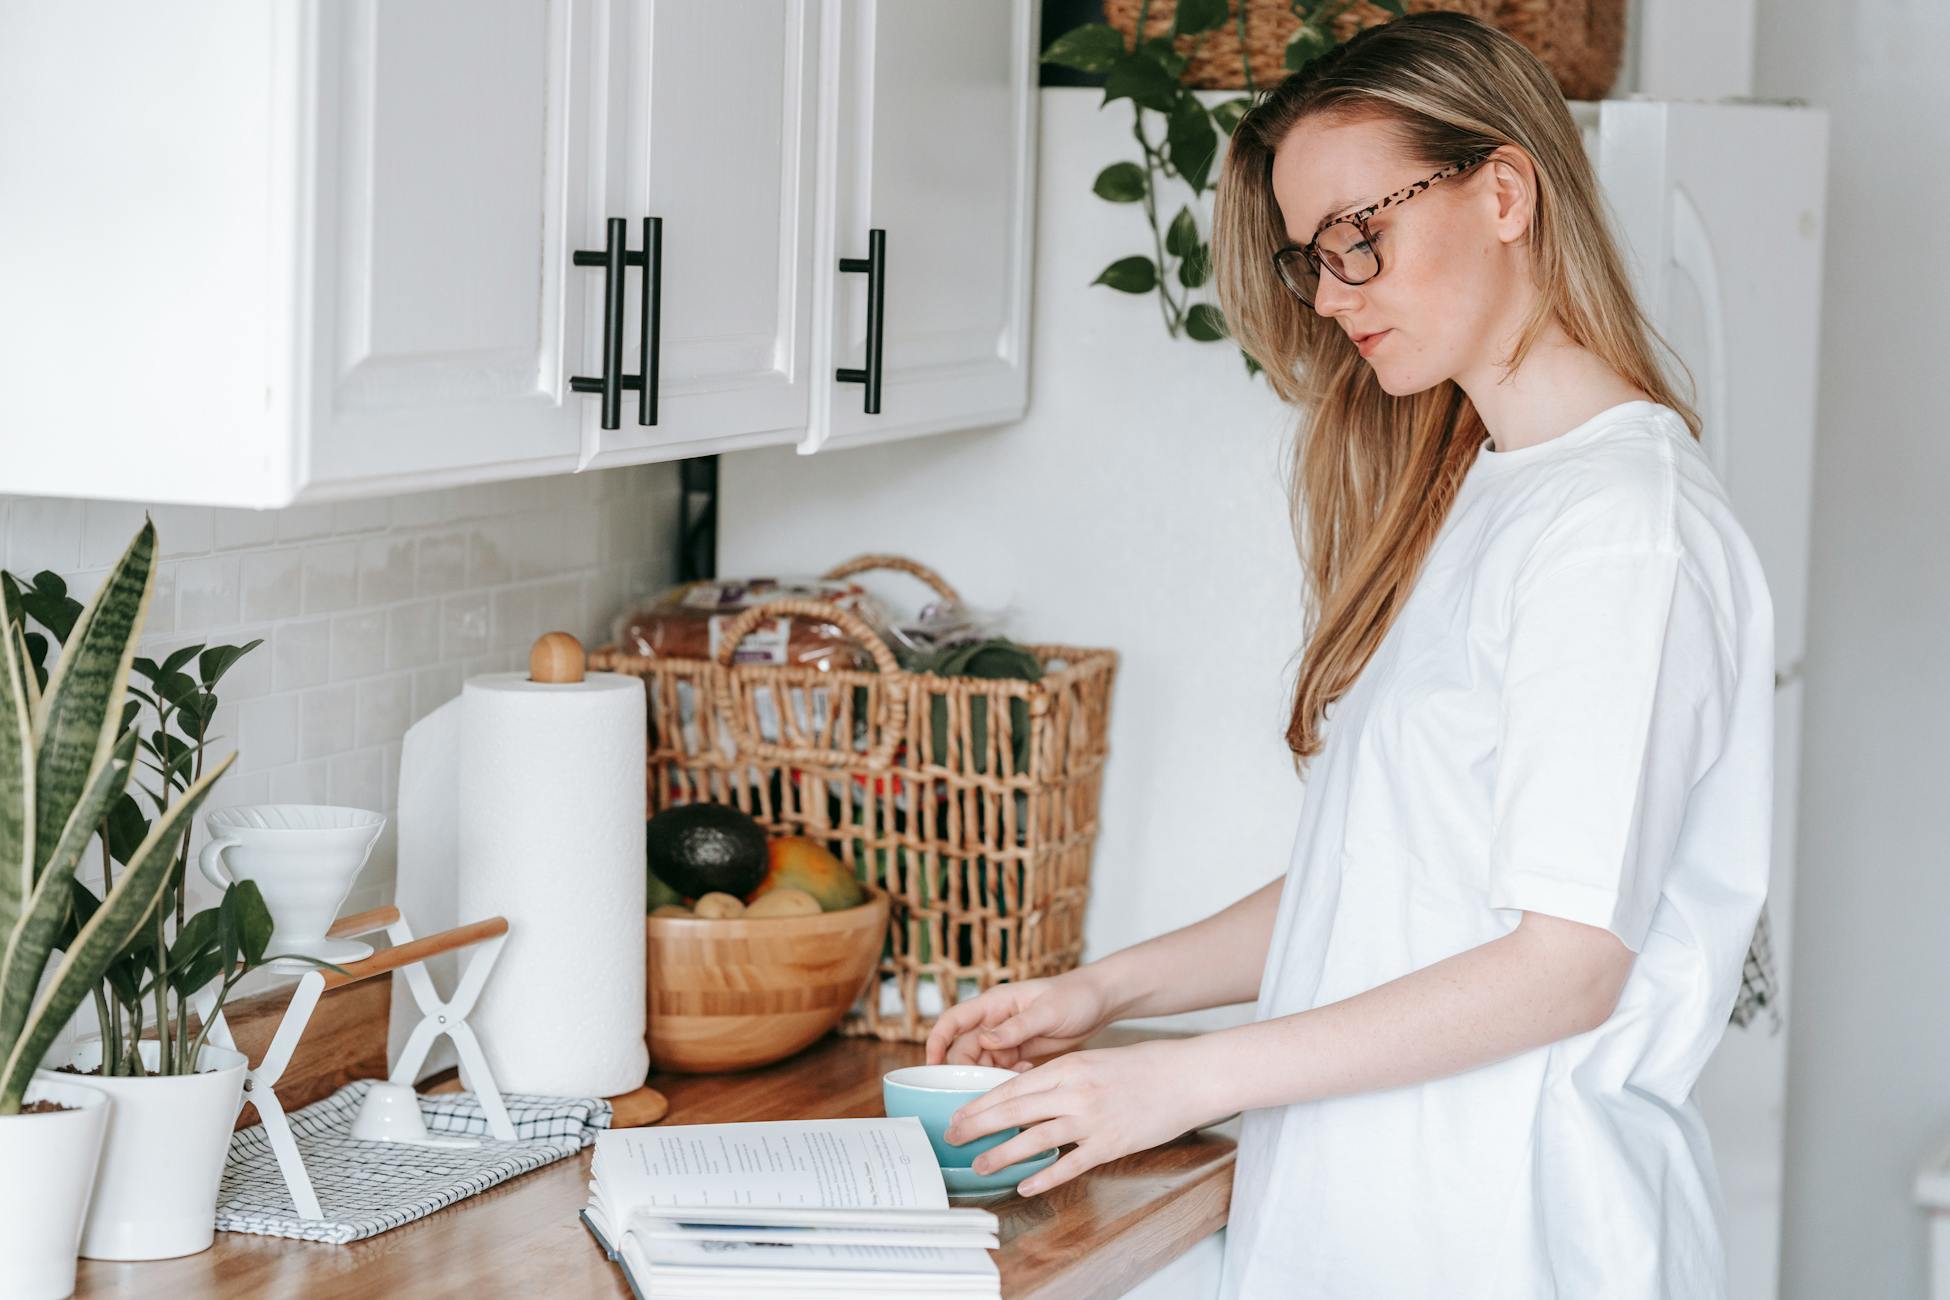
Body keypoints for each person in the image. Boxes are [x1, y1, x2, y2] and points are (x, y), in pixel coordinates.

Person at [925, 12, 1775, 1298]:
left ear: (1504, 190)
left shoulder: (1618, 532)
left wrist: (1178, 1076)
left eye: (1357, 239)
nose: (1328, 294)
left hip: (1514, 1238)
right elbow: (1380, 879)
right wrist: (1105, 992)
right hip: (1377, 1223)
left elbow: (1563, 967)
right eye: (1309, 256)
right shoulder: (1496, 488)